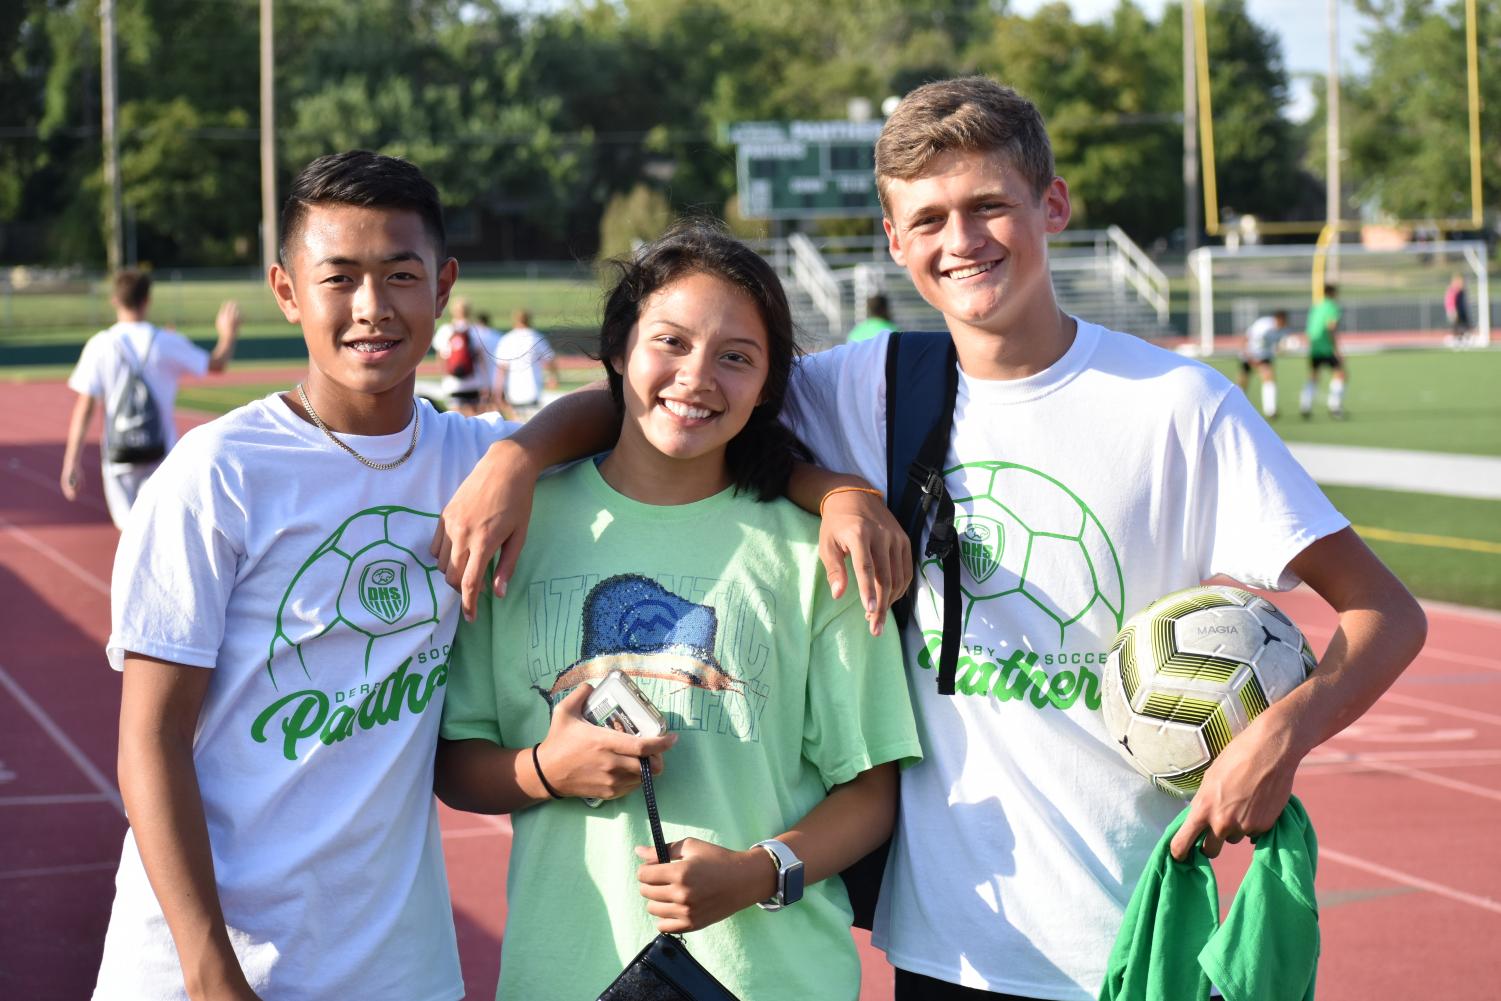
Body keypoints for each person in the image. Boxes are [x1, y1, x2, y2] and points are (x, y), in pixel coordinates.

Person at [433, 77, 1428, 1001]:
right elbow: (667, 401)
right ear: (895, 242)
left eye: (989, 204)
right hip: (946, 942)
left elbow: (1383, 611)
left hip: (1138, 929)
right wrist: (518, 456)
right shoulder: (864, 384)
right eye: (929, 219)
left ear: (1053, 205)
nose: (963, 238)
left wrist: (1281, 733)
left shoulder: (1175, 404)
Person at [91, 150, 621, 1001]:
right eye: (339, 277)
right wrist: (208, 969)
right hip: (210, 968)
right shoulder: (218, 472)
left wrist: (518, 456)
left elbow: (624, 405)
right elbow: (151, 741)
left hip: (394, 967)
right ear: (287, 289)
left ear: (443, 286)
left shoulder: (468, 456)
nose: (371, 307)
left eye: (400, 275)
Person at [435, 221, 921, 1000]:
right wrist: (544, 771)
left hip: (775, 978)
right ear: (618, 348)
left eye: (736, 356)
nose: (696, 377)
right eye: (670, 341)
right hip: (564, 971)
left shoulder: (815, 550)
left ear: (766, 387)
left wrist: (757, 872)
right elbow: (457, 762)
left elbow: (870, 789)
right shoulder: (517, 526)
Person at [60, 270, 240, 528]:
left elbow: (85, 407)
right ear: (147, 300)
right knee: (159, 532)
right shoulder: (166, 341)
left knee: (130, 534)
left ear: (115, 301)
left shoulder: (100, 345)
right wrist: (228, 334)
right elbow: (217, 363)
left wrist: (71, 461)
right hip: (160, 455)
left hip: (118, 458)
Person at [431, 296, 501, 415]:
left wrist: (445, 378)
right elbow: (481, 359)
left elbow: (440, 358)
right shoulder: (477, 331)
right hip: (474, 383)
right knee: (474, 421)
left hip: (453, 383)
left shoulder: (445, 330)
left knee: (455, 420)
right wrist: (486, 384)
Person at [493, 308, 561, 420]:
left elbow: (501, 369)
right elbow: (550, 359)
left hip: (513, 393)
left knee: (517, 429)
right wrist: (553, 377)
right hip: (533, 391)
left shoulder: (507, 339)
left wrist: (497, 393)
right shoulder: (535, 337)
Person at [1300, 283, 1346, 419]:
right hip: (1326, 348)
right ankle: (1335, 407)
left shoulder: (1316, 306)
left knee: (1313, 376)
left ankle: (1305, 406)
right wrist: (1336, 349)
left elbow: (1309, 329)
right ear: (1332, 294)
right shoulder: (1332, 307)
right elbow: (1331, 328)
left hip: (1314, 347)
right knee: (1340, 374)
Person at [1236, 309, 1289, 419]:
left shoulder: (1283, 329)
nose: (1283, 324)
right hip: (1250, 353)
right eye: (1282, 321)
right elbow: (1247, 338)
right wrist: (1248, 355)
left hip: (1264, 356)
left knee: (1269, 378)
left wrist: (1280, 349)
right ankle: (1236, 408)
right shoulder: (1263, 325)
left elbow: (1278, 345)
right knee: (1243, 382)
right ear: (1277, 319)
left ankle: (1271, 410)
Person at [1444, 273, 1472, 347]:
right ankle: (1457, 340)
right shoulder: (1453, 290)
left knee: (1463, 325)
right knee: (1456, 326)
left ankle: (1462, 339)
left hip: (1460, 310)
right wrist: (1452, 310)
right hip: (1454, 310)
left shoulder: (1460, 291)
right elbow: (1450, 301)